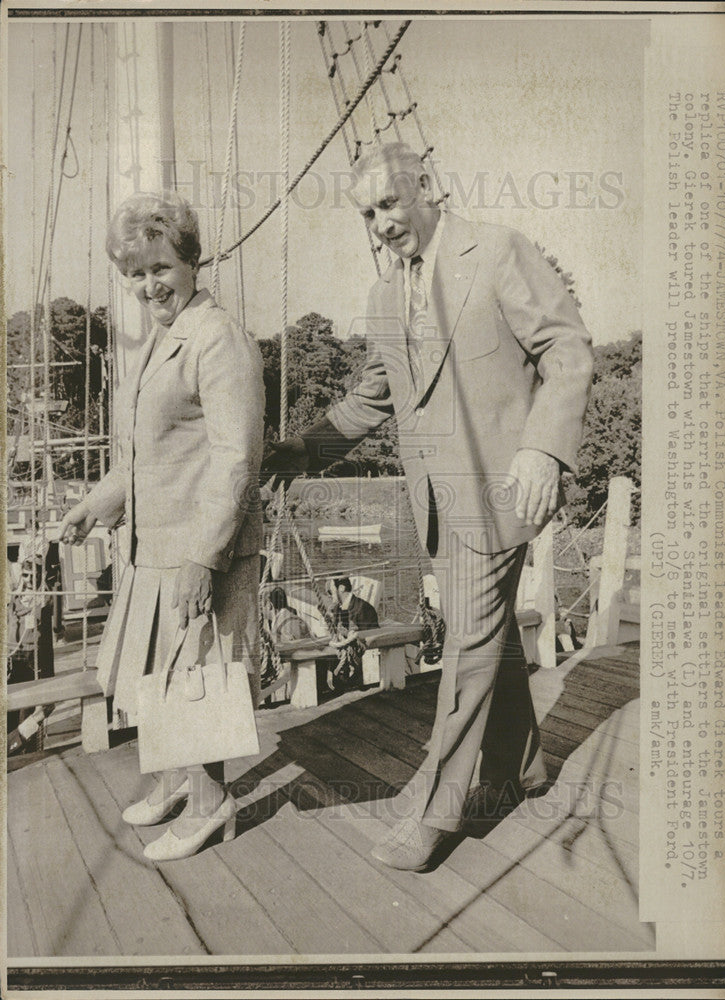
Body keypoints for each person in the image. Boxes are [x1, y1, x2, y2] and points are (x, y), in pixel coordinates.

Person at [263, 142, 593, 871]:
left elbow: (567, 351)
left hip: (503, 487)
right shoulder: (386, 296)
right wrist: (299, 453)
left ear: (428, 187)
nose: (380, 224)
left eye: (388, 204)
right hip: (436, 503)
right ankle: (522, 768)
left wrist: (543, 449)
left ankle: (434, 812)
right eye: (366, 214)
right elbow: (372, 399)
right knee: (489, 632)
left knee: (468, 644)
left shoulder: (500, 251)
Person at [60, 192, 264, 862]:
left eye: (160, 269)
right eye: (135, 274)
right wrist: (100, 501)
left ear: (191, 262)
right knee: (161, 667)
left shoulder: (217, 336)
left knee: (195, 669)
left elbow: (237, 457)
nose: (149, 286)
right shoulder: (157, 342)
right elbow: (146, 456)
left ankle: (212, 804)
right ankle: (178, 782)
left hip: (201, 543)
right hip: (154, 539)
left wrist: (205, 557)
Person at [326, 577, 379, 690]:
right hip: (343, 663)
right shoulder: (336, 609)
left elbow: (371, 642)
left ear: (341, 588)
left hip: (360, 671)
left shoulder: (364, 609)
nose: (329, 596)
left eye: (330, 591)